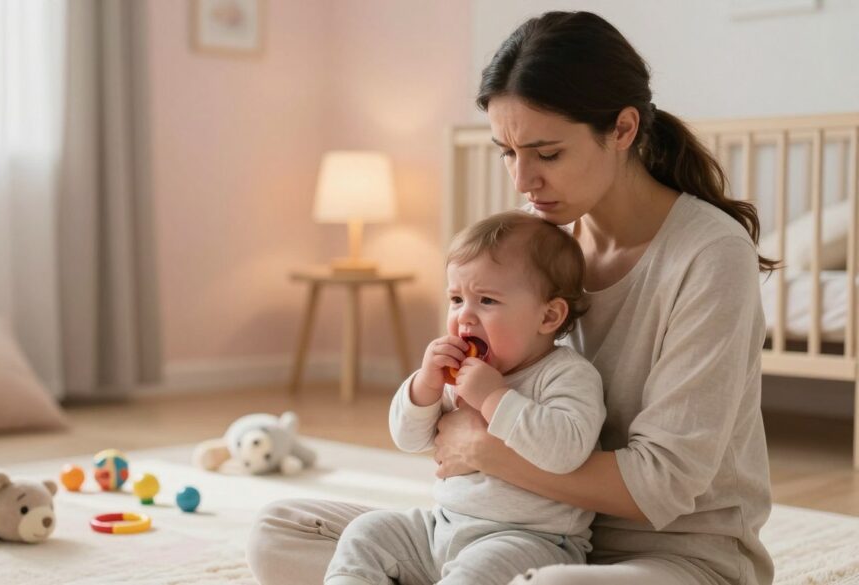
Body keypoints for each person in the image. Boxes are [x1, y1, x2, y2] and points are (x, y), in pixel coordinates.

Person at [247, 10, 775, 585]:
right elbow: (442, 414)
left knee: (550, 583)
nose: (523, 181)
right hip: (502, 534)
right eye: (506, 151)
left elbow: (661, 485)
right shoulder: (534, 242)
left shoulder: (709, 254)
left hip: (669, 556)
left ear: (623, 130)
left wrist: (484, 451)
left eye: (547, 155)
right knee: (282, 529)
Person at [325, 210, 605, 585]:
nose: (465, 318)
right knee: (366, 533)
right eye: (456, 299)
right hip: (443, 526)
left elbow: (566, 451)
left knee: (477, 572)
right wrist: (425, 385)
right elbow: (409, 439)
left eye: (486, 301)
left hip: (529, 540)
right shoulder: (459, 374)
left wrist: (494, 398)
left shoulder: (566, 374)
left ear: (549, 316)